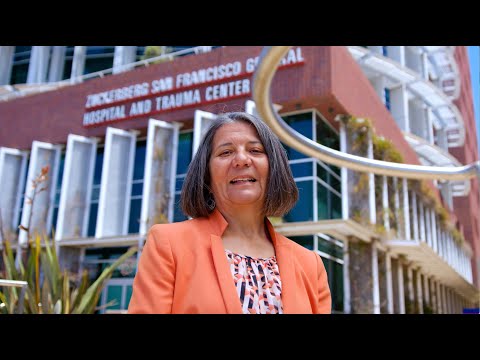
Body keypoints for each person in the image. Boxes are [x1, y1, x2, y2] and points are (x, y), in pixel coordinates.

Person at [128, 111, 331, 314]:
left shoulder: (310, 264)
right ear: (206, 175)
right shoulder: (168, 244)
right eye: (225, 152)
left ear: (274, 169)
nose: (241, 160)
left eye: (255, 150)